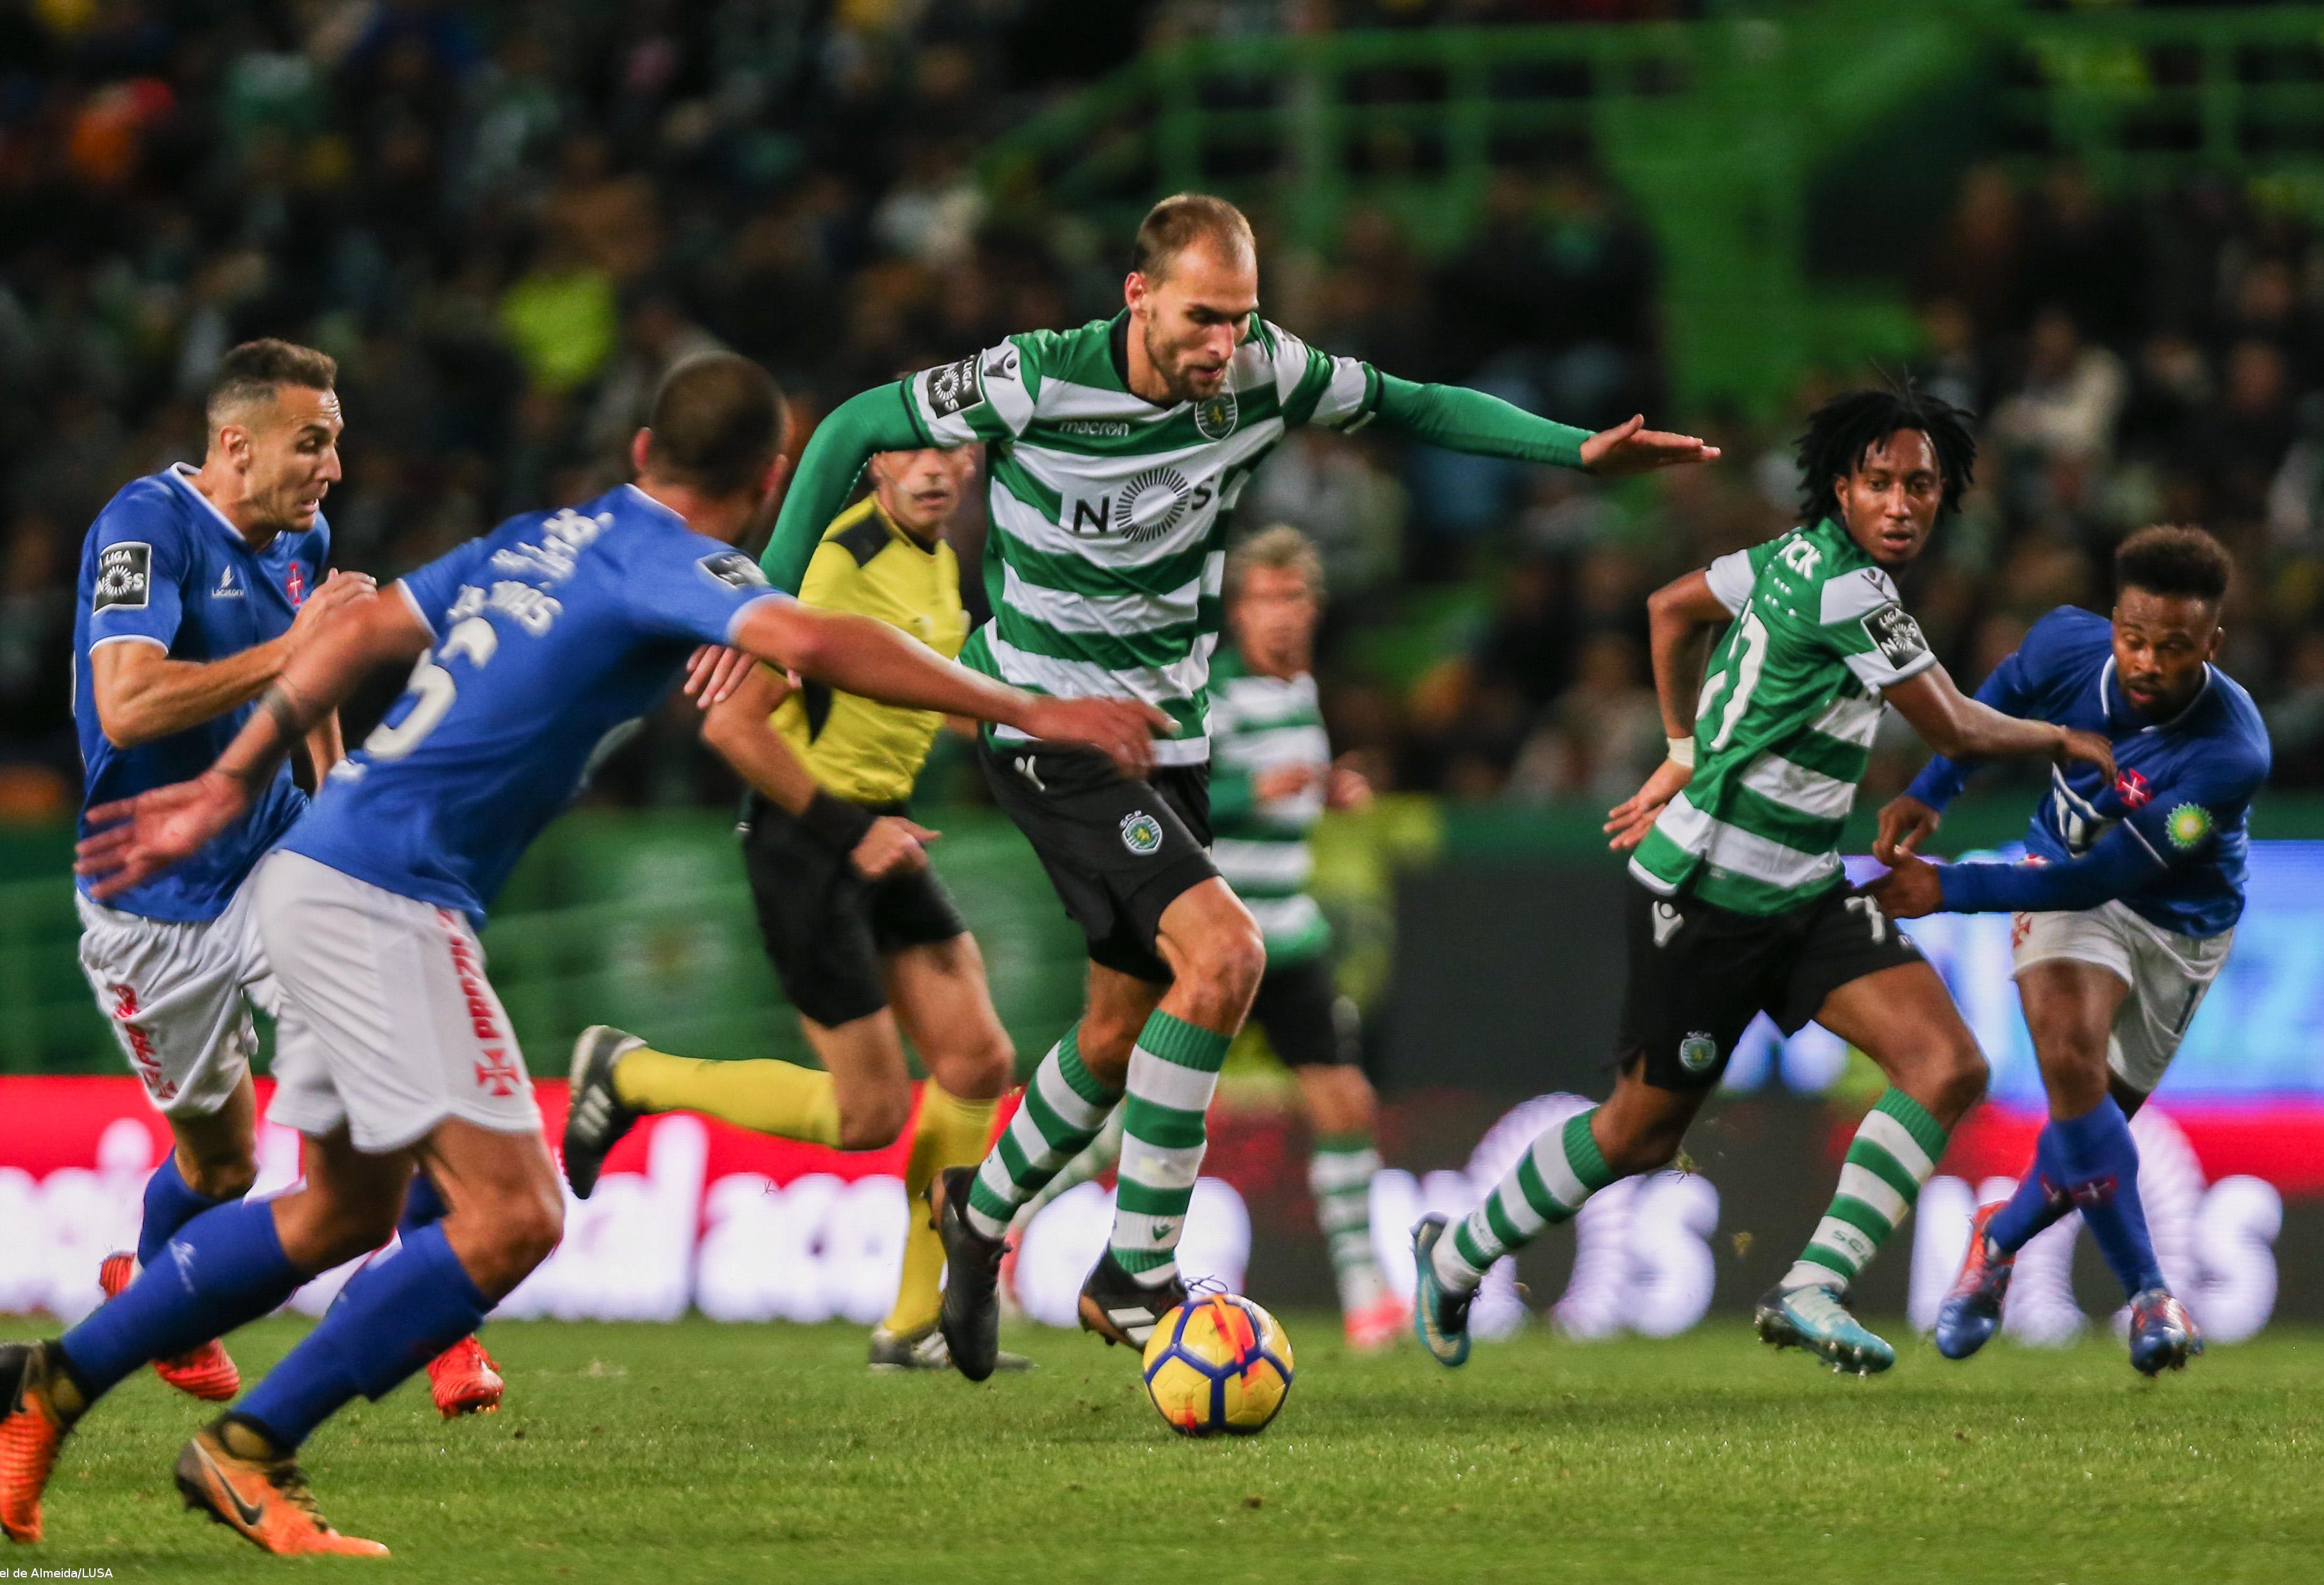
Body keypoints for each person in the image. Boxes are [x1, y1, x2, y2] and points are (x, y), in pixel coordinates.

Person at [0, 353, 1162, 1556]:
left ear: (642, 453)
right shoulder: (674, 561)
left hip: (314, 872)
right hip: (385, 901)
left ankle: (52, 1383)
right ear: (765, 481)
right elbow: (820, 637)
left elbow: (358, 633)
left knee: (341, 1208)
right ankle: (246, 1449)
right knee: (515, 1216)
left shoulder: (546, 533)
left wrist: (231, 781)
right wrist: (1038, 709)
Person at [756, 191, 1717, 1377]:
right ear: (1138, 298)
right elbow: (856, 420)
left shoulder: (1268, 372)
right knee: (1225, 957)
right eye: (1201, 318)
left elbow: (1416, 404)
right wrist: (761, 598)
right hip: (1047, 722)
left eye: (1241, 319)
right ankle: (1137, 1267)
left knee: (1115, 1034)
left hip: (1166, 735)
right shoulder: (1037, 377)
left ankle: (980, 1212)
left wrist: (1569, 447)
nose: (1223, 346)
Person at [1409, 384, 2117, 1378]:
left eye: (1920, 485)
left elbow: (1670, 608)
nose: (1902, 504)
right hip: (1702, 897)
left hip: (1799, 889)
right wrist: (2063, 736)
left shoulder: (1784, 560)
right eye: (1879, 483)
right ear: (1841, 488)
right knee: (1635, 1134)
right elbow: (1954, 725)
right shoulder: (1849, 591)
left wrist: (1679, 742)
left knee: (1945, 1062)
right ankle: (1456, 1249)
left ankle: (1811, 1282)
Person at [69, 337, 502, 1422]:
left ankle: (442, 1326)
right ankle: (158, 1296)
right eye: (312, 444)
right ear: (235, 443)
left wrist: (339, 787)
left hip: (279, 855)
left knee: (397, 1048)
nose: (332, 470)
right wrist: (297, 648)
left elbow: (312, 678)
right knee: (219, 1166)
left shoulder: (305, 534)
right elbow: (125, 706)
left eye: (337, 444)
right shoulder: (143, 527)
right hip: (150, 898)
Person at [558, 441, 1030, 1373]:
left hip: (878, 829)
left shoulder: (937, 564)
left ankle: (912, 1322)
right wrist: (849, 831)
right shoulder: (834, 565)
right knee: (868, 1115)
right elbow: (731, 725)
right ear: (878, 460)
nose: (934, 468)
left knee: (977, 1057)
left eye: (952, 451)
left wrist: (1044, 717)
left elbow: (917, 695)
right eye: (912, 449)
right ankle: (633, 1073)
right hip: (807, 840)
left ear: (973, 461)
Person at [1867, 525, 2269, 1375]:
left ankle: (1997, 1236)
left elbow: (2109, 876)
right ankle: (2150, 1294)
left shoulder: (2228, 752)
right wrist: (1928, 791)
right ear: (2111, 619)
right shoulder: (2060, 644)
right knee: (2068, 1056)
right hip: (2057, 879)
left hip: (2174, 926)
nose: (2146, 662)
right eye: (2132, 638)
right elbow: (1986, 707)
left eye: (2173, 647)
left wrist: (1950, 889)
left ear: (2211, 644)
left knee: (2081, 1141)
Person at [1007, 526, 1408, 1351]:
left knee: (1344, 1103)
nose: (1280, 618)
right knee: (1129, 1120)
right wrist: (1248, 787)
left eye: (1293, 599)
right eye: (1263, 600)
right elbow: (1158, 798)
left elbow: (1283, 795)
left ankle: (1366, 1293)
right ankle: (1010, 1221)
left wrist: (1329, 791)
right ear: (1237, 610)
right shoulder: (1212, 690)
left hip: (1287, 932)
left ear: (1315, 607)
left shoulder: (1300, 693)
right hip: (1209, 942)